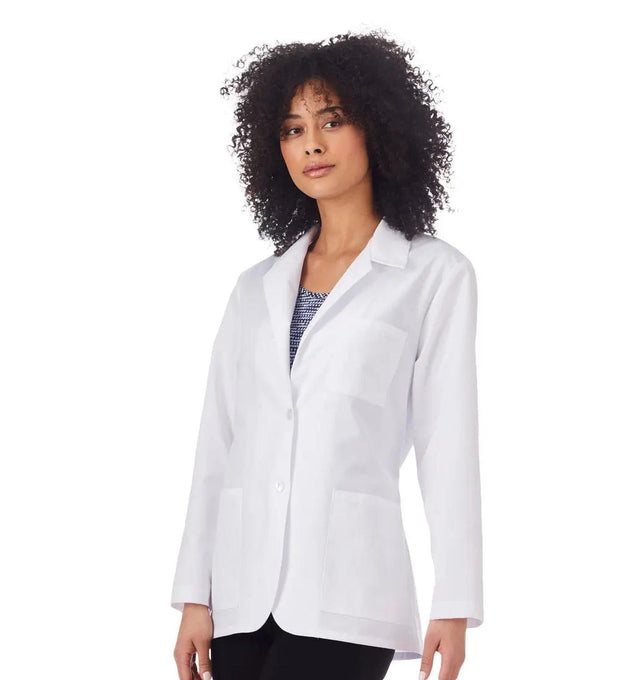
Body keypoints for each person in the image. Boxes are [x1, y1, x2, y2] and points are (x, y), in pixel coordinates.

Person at [171, 30, 484, 680]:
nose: (311, 144)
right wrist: (195, 595)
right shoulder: (255, 288)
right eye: (293, 129)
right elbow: (218, 448)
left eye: (332, 121)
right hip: (240, 596)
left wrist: (454, 603)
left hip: (350, 592)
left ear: (379, 128)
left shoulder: (432, 275)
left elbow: (447, 443)